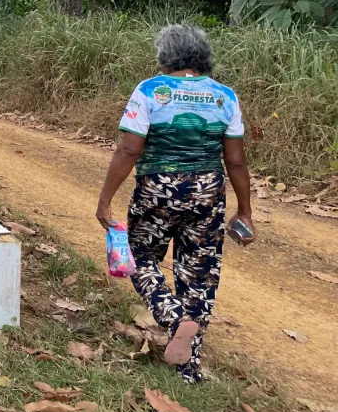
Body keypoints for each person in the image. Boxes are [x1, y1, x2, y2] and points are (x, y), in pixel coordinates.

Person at [96, 24, 255, 384]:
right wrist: (244, 210)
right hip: (207, 192)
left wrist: (105, 199)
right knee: (198, 275)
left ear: (165, 56)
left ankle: (171, 316)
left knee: (140, 257)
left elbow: (129, 148)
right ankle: (190, 370)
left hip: (157, 189)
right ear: (203, 58)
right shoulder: (225, 96)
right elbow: (236, 161)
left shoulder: (151, 90)